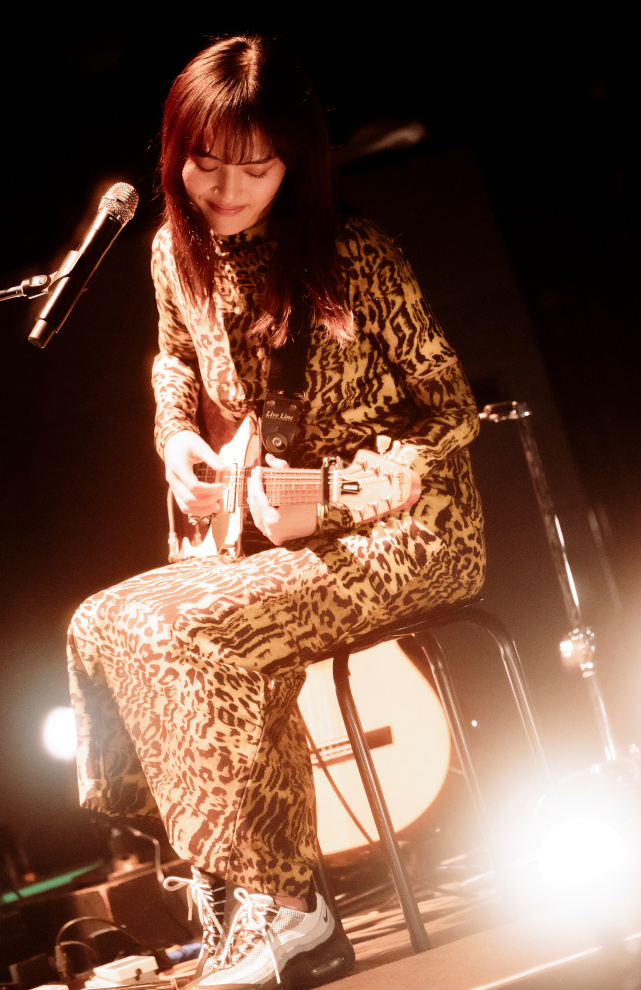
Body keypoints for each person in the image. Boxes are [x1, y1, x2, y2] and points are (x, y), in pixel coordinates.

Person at [67, 33, 486, 990]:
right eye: (206, 165)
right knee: (101, 622)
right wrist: (177, 438)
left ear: (295, 161)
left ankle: (290, 909)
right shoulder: (174, 256)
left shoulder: (354, 254)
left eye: (255, 169)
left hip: (405, 531)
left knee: (186, 631)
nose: (227, 189)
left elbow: (451, 409)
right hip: (275, 529)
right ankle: (219, 876)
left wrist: (389, 474)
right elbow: (174, 360)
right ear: (176, 155)